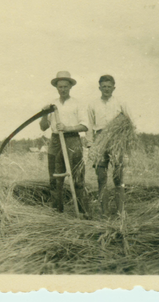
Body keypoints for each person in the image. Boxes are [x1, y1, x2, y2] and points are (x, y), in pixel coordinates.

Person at [39, 71, 91, 217]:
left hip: (72, 139)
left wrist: (68, 128)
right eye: (60, 87)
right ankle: (57, 211)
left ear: (70, 87)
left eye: (65, 86)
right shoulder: (51, 104)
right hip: (55, 140)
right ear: (56, 87)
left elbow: (85, 126)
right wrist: (44, 114)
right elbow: (43, 127)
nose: (63, 89)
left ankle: (82, 212)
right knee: (55, 178)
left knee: (77, 177)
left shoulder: (77, 104)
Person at [86, 75, 132, 217]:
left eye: (109, 86)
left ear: (114, 88)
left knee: (118, 177)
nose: (106, 89)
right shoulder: (93, 104)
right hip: (100, 140)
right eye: (103, 86)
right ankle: (104, 211)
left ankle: (120, 211)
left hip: (117, 141)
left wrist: (126, 144)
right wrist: (90, 146)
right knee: (101, 177)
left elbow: (130, 122)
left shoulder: (120, 102)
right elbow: (89, 126)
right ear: (99, 88)